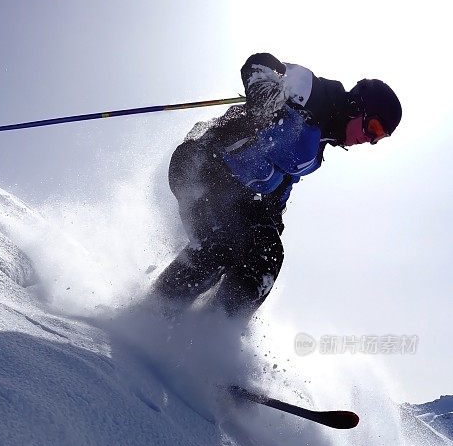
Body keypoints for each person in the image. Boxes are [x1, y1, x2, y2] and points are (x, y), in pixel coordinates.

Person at [152, 52, 402, 320]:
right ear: (357, 105)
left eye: (379, 137)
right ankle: (155, 310)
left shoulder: (316, 152)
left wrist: (270, 219)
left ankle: (214, 330)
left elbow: (282, 184)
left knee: (266, 254)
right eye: (373, 127)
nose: (369, 139)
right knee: (222, 242)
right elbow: (261, 61)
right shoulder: (314, 94)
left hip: (236, 193)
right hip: (201, 162)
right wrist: (263, 93)